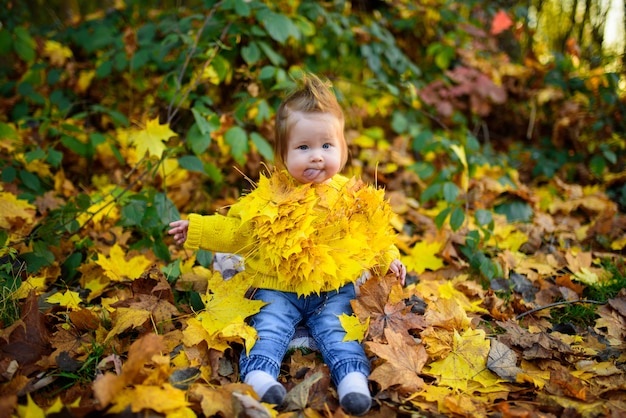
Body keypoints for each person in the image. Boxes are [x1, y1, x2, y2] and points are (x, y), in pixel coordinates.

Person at [169, 73, 406, 416]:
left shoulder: (352, 199)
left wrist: (390, 259)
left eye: (327, 146)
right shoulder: (270, 198)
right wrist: (199, 229)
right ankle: (262, 376)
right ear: (282, 154)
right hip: (276, 287)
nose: (316, 156)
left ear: (343, 149)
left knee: (340, 330)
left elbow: (373, 237)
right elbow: (239, 232)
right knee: (268, 326)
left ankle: (352, 378)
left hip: (331, 289)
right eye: (303, 147)